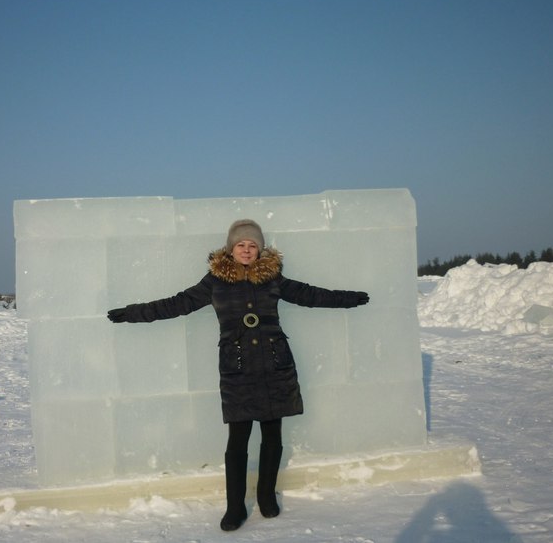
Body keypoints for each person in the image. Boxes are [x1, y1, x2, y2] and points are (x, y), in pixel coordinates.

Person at [107, 219, 369, 531]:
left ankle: (266, 495)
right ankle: (235, 507)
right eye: (241, 245)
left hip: (275, 365)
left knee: (273, 435)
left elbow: (310, 295)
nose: (246, 250)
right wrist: (134, 313)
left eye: (252, 245)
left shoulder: (273, 278)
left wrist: (349, 298)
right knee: (238, 439)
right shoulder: (215, 281)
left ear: (260, 250)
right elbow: (177, 303)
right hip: (238, 368)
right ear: (231, 249)